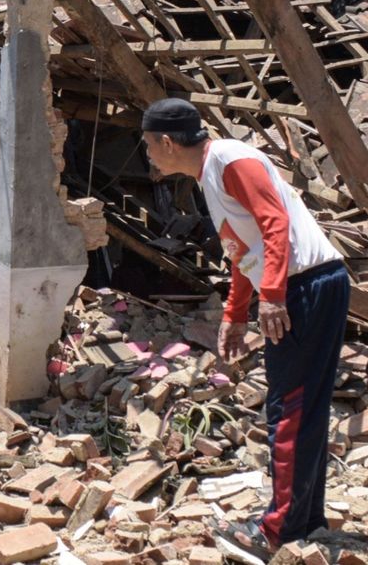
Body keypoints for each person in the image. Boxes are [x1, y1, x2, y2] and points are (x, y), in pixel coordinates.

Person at [141, 98, 350, 555]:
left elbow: (275, 226)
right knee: (304, 407)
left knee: (290, 409)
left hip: (304, 287)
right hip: (311, 283)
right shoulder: (211, 174)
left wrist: (271, 296)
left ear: (167, 141)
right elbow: (242, 249)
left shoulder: (231, 160)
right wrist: (236, 314)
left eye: (148, 144)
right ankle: (304, 521)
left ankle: (276, 533)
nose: (148, 154)